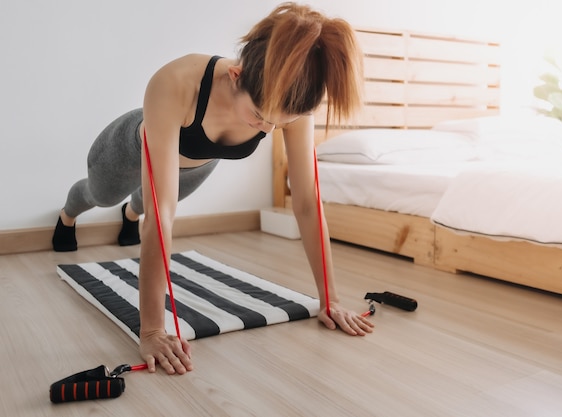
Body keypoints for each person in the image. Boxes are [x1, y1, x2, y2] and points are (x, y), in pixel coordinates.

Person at [52, 2, 374, 375]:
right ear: (236, 75)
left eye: (278, 124)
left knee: (143, 204)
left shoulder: (291, 102)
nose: (268, 130)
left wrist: (330, 299)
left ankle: (129, 214)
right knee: (100, 195)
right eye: (258, 117)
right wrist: (153, 329)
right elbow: (163, 215)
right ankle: (67, 214)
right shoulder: (177, 81)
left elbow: (305, 201)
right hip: (128, 148)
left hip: (194, 165)